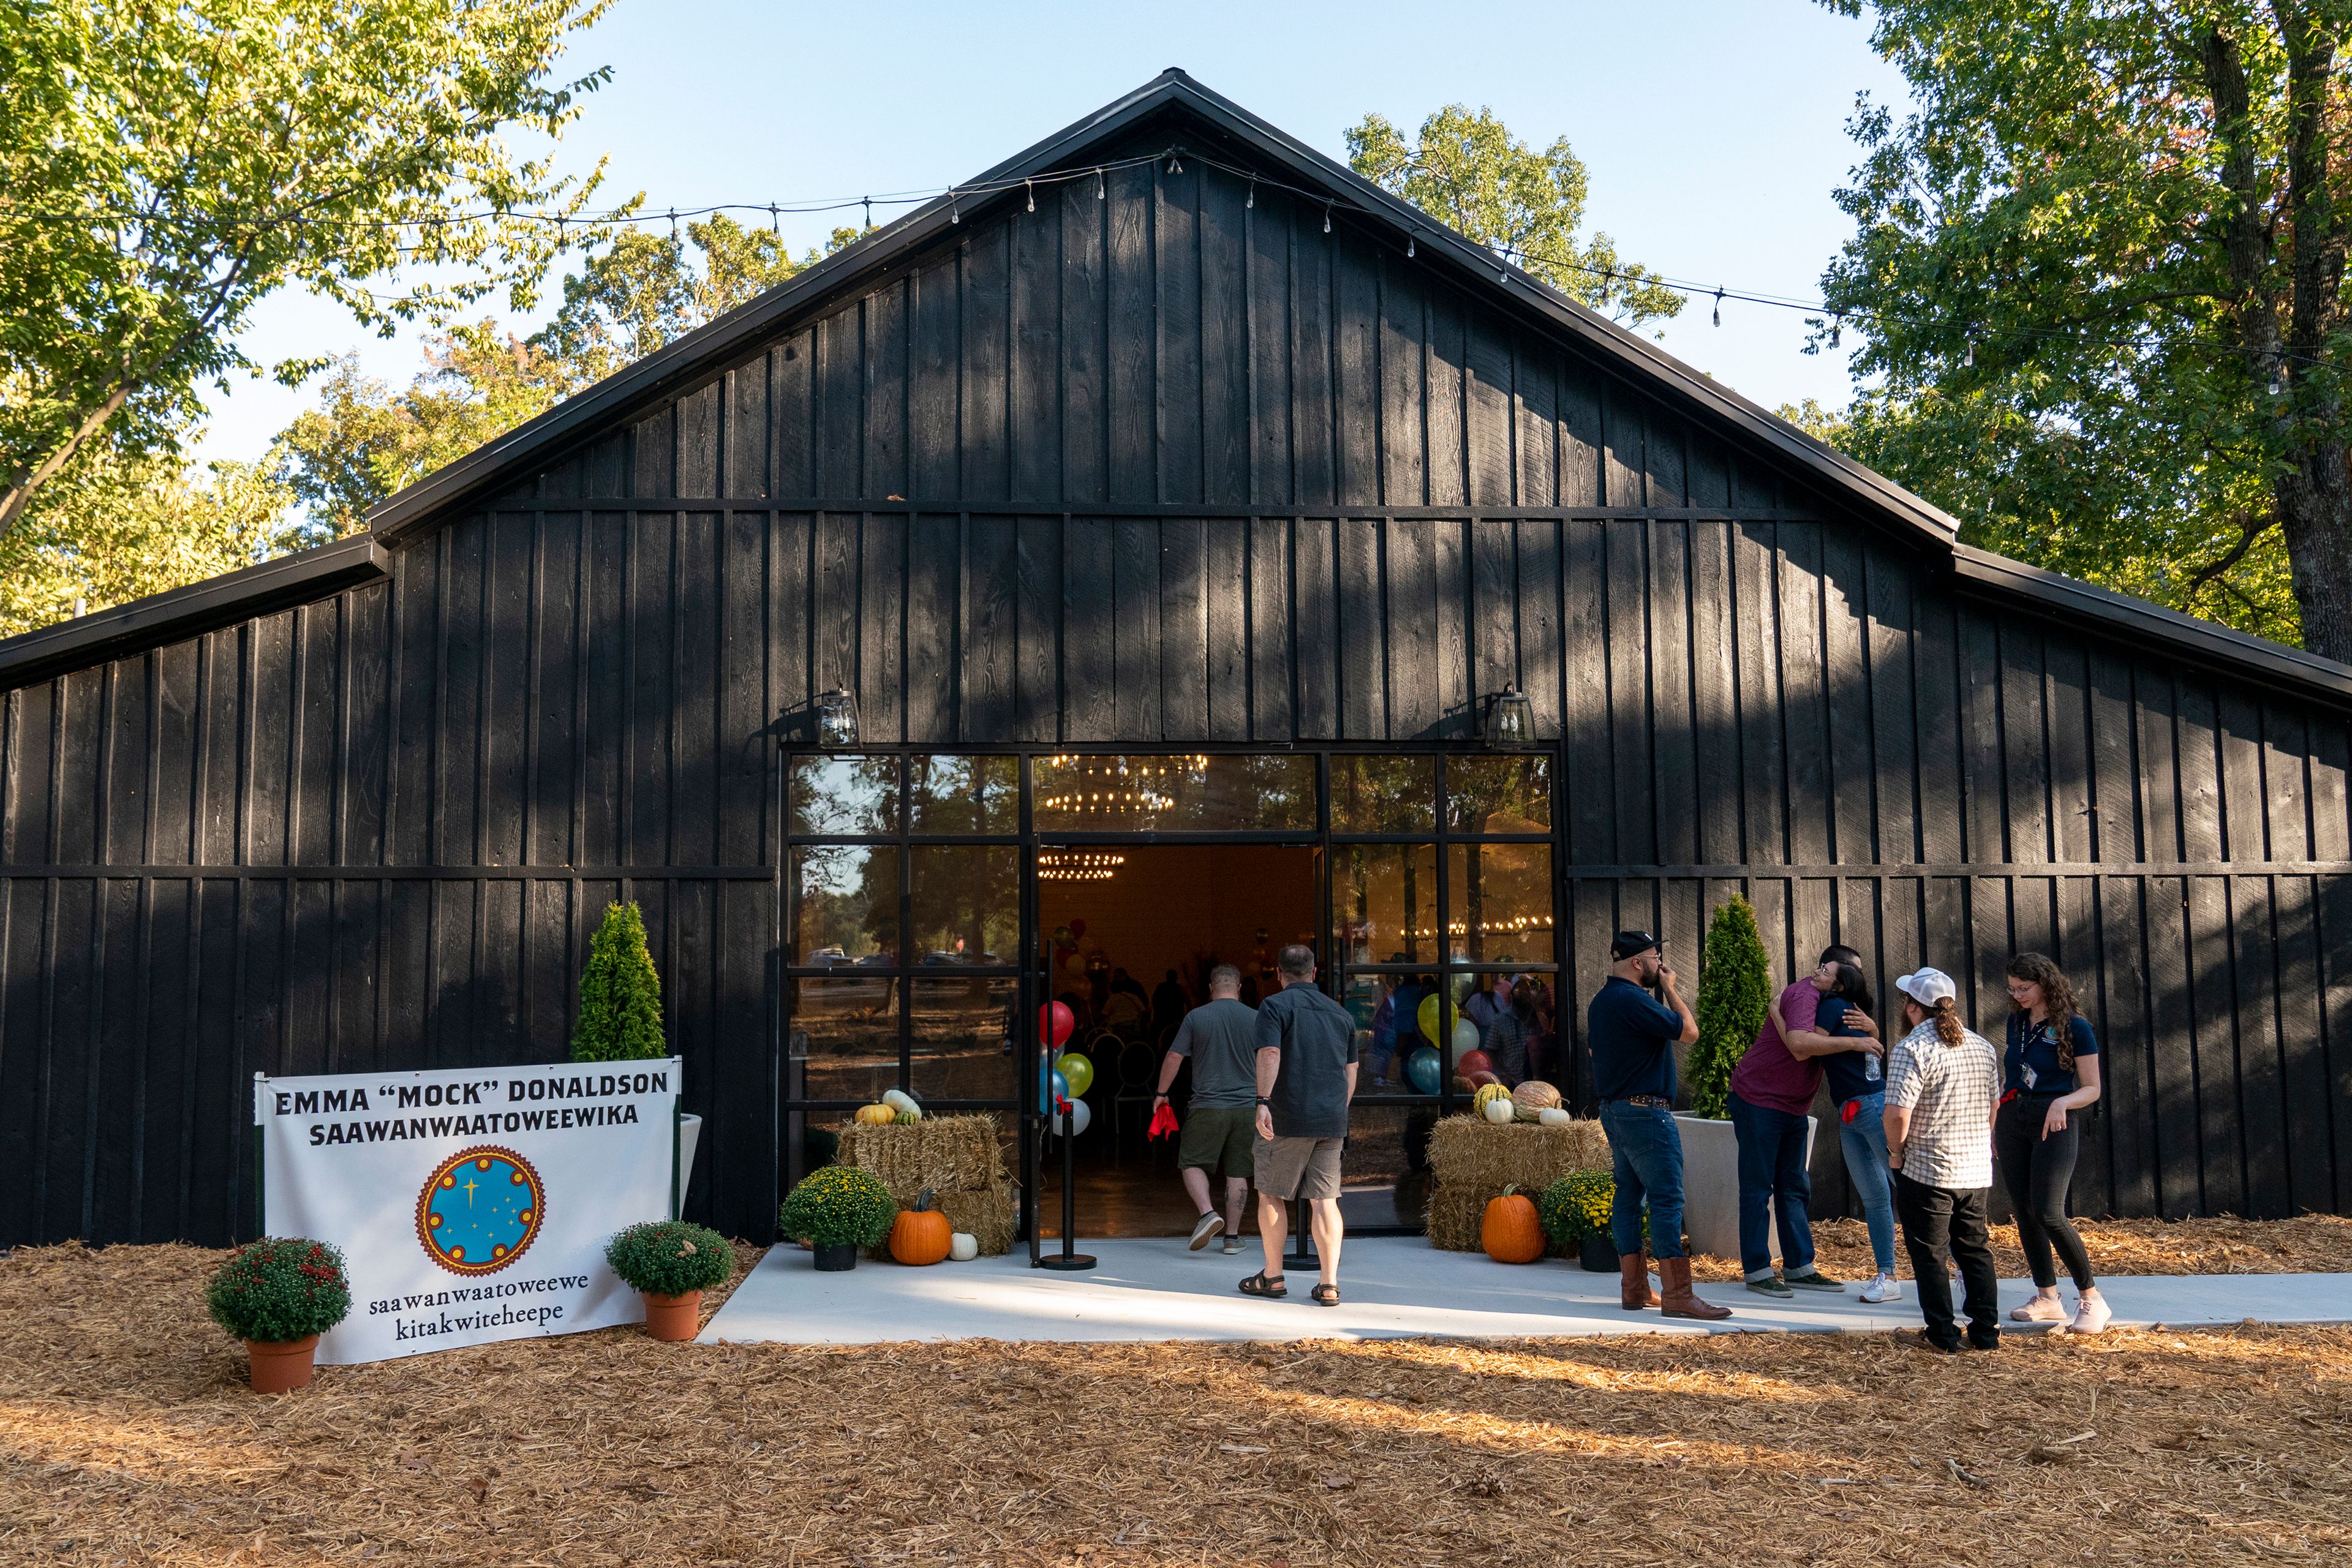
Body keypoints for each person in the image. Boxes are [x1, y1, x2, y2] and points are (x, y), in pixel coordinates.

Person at [1588, 930, 1730, 1321]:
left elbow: (1594, 1052)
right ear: (1638, 963)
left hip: (1615, 1110)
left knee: (1628, 1198)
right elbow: (1689, 1031)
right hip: (1646, 1112)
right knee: (1668, 1200)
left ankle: (1633, 1289)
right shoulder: (1633, 999)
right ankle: (1678, 1295)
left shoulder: (1601, 1002)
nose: (1659, 964)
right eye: (1654, 957)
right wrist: (1669, 989)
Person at [1728, 944, 1883, 1297]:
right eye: (1845, 970)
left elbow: (1872, 1046)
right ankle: (1757, 1270)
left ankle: (1799, 1267)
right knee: (1758, 1187)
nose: (1853, 978)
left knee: (1794, 1187)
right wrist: (1855, 1044)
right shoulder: (1804, 995)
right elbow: (1800, 1046)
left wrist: (1871, 1031)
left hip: (1793, 1105)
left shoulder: (1835, 1005)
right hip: (1760, 1098)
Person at [1883, 967, 2003, 1353]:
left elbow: (1897, 1114)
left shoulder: (1911, 1049)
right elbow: (1993, 1105)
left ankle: (1942, 1335)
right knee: (1975, 1250)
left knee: (1930, 1253)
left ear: (1913, 1007)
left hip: (1929, 1168)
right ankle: (1986, 1333)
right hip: (1975, 1169)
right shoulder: (1983, 1046)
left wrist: (1897, 1153)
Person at [1240, 944, 1358, 1306]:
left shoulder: (1274, 1007)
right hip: (1330, 1120)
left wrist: (1263, 1102)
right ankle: (1329, 1284)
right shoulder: (1341, 1014)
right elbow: (1351, 1070)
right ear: (1315, 972)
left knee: (1272, 1194)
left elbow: (1271, 1053)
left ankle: (1273, 1277)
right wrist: (1337, 1108)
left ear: (1279, 974)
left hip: (1287, 1119)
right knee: (1325, 1201)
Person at [1998, 952, 2110, 1334]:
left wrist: (2063, 1101)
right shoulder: (2017, 1023)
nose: (2018, 995)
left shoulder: (2076, 1027)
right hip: (2014, 1117)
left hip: (2055, 1119)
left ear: (2045, 984)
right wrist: (1995, 1122)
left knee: (2049, 1212)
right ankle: (2047, 1297)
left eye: (2024, 988)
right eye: (2012, 988)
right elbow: (2011, 1076)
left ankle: (2092, 1298)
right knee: (2024, 1210)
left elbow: (2092, 1089)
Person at [1155, 965, 1258, 1254]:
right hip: (1248, 1107)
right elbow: (1270, 1057)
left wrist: (1162, 1093)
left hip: (1208, 1106)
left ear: (1211, 989)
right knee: (1238, 1171)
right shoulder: (1256, 1017)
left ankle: (1208, 1213)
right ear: (1239, 988)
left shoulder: (1196, 1017)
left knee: (1191, 1161)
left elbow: (1174, 1056)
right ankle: (1232, 1239)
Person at [1812, 959, 1899, 1302]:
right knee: (1877, 1198)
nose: (1816, 973)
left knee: (1907, 1190)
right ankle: (1887, 1276)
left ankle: (1961, 1270)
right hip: (1853, 1112)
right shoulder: (1848, 1009)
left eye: (1825, 971)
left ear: (1840, 985)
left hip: (1871, 1106)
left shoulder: (1833, 1006)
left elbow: (1810, 1045)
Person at [1479, 978, 1539, 1087]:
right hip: (1512, 1082)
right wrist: (1502, 1073)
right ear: (1512, 996)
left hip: (1537, 1082)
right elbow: (1490, 1049)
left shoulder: (1539, 1017)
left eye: (1528, 992)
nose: (1524, 994)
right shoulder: (1501, 1020)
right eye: (1520, 991)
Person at [1463, 972, 1513, 1036]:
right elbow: (1473, 1021)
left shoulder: (1497, 995)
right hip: (1484, 1035)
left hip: (1499, 1032)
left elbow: (1503, 1013)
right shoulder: (1476, 998)